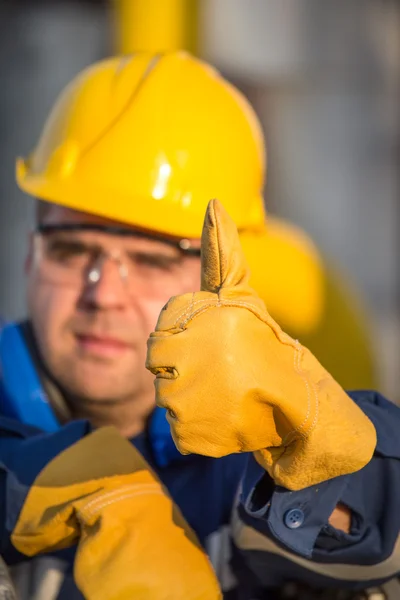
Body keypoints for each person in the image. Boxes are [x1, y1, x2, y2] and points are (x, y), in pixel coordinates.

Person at [1, 51, 399, 600]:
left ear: (228, 279)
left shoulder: (254, 467)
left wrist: (326, 482)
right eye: (71, 250)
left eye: (151, 259)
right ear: (29, 255)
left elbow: (382, 537)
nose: (103, 293)